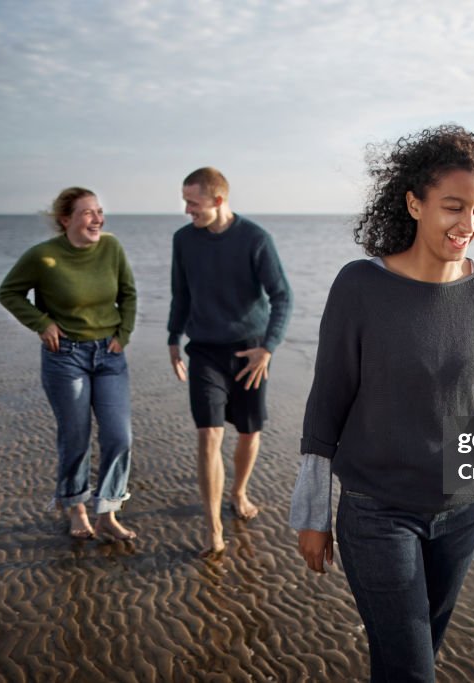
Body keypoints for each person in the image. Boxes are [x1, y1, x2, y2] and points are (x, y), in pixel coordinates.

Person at [291, 125, 474, 682]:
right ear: (414, 203)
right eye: (453, 206)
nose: (468, 223)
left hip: (463, 510)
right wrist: (312, 511)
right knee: (413, 671)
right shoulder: (359, 287)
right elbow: (326, 401)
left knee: (412, 660)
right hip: (377, 511)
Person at [0, 187, 137, 541]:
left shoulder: (112, 248)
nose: (98, 219)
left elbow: (128, 294)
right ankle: (76, 508)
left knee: (119, 436)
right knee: (75, 436)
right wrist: (41, 323)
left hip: (110, 355)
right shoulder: (42, 256)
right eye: (88, 212)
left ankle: (108, 513)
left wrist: (124, 334)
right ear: (65, 219)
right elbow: (8, 292)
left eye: (99, 211)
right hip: (66, 358)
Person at [167, 167, 293, 556]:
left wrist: (267, 348)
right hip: (205, 351)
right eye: (185, 202)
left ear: (218, 200)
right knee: (208, 434)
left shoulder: (255, 239)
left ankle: (238, 492)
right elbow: (181, 294)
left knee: (249, 433)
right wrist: (173, 337)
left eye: (193, 202)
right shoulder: (184, 240)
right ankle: (213, 529)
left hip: (249, 352)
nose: (187, 210)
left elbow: (282, 296)